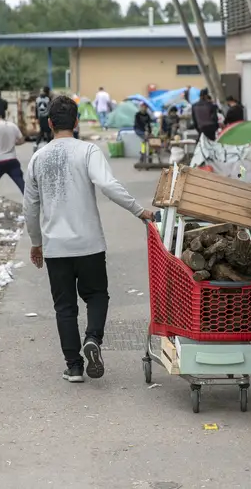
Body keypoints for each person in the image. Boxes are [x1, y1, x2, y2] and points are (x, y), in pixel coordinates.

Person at [23, 96, 154, 383]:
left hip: (56, 247)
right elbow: (107, 185)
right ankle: (92, 337)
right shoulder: (88, 151)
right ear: (77, 122)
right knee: (96, 295)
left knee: (64, 307)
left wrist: (36, 242)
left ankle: (73, 366)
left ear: (49, 123)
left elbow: (30, 207)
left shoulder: (38, 158)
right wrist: (138, 210)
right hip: (89, 244)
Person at [34, 86, 53, 151]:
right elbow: (50, 108)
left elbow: (36, 109)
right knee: (48, 132)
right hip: (46, 116)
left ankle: (36, 144)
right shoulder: (48, 99)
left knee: (42, 131)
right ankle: (49, 146)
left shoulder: (38, 98)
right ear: (48, 91)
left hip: (40, 117)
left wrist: (37, 117)